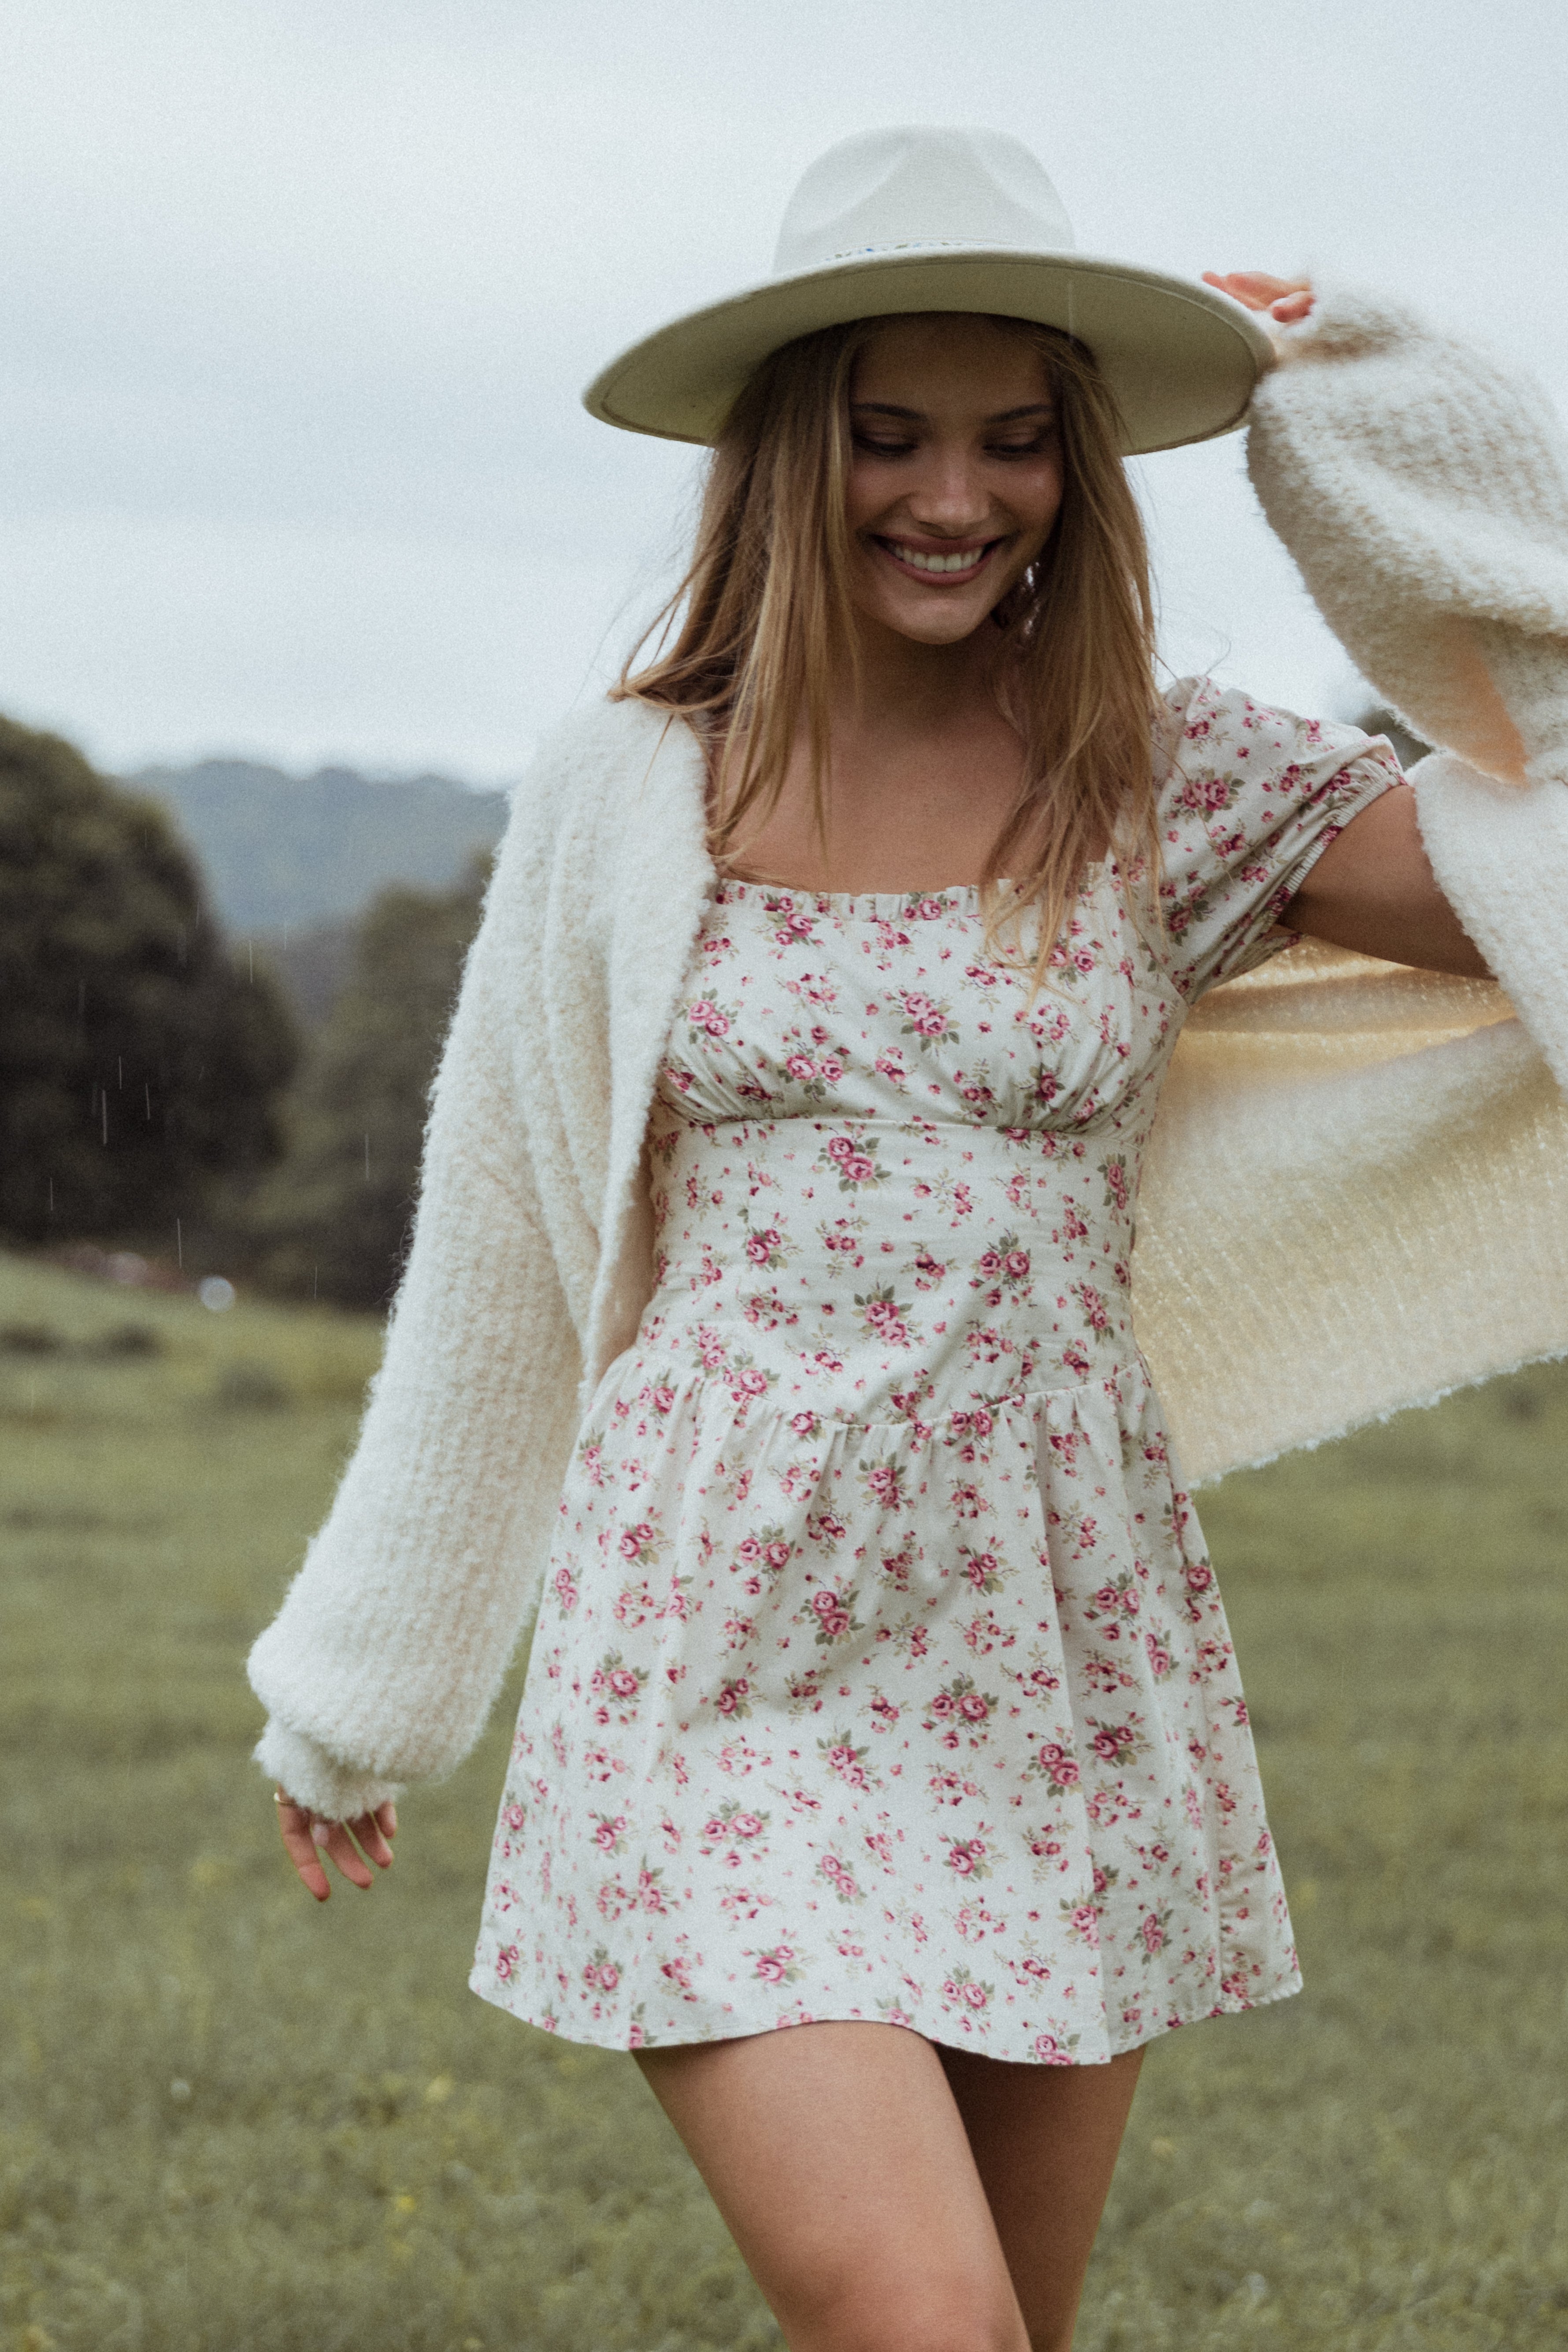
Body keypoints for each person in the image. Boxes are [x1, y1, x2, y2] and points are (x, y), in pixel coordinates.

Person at [250, 128, 1524, 2352]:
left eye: (1018, 439)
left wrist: (1393, 418)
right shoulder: (625, 794)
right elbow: (501, 1250)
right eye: (891, 436)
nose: (956, 497)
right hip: (712, 1635)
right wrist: (362, 1686)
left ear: (1080, 468)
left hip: (1048, 1633)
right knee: (919, 2326)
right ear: (783, 453)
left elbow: (1541, 865)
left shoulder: (1153, 772)